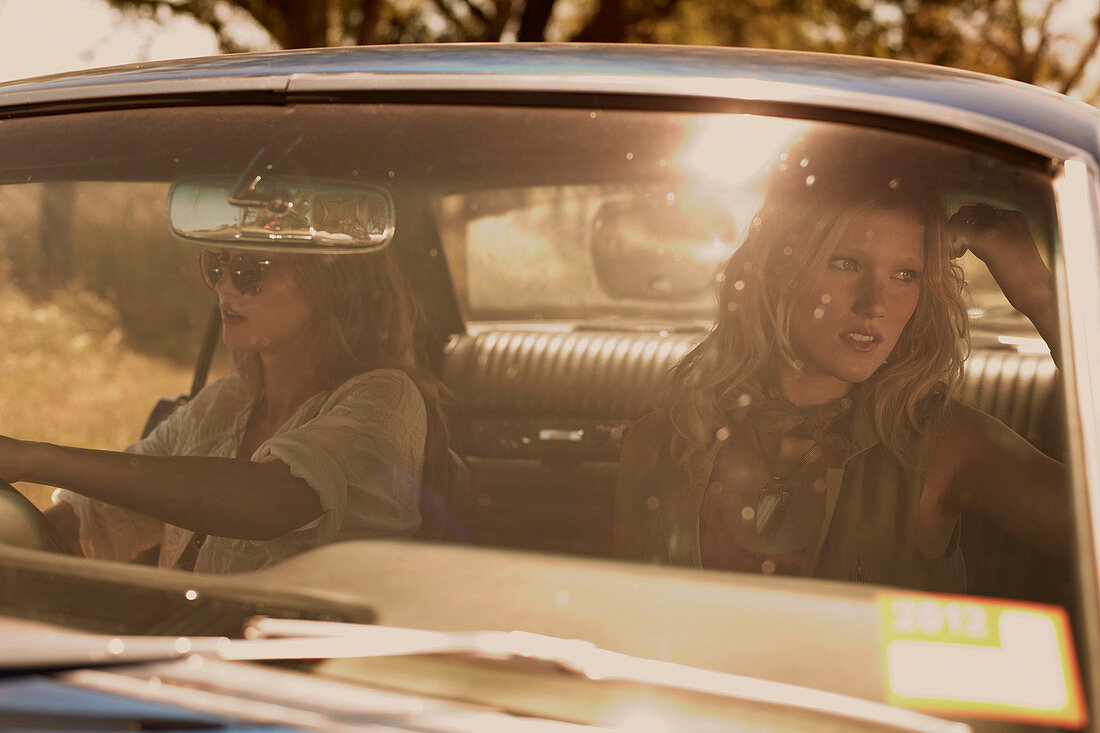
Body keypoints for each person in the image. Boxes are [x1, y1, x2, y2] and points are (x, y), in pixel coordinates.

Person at [613, 132, 1068, 592]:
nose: (875, 303)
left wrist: (1037, 293)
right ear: (779, 270)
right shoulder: (666, 438)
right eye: (846, 264)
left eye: (904, 275)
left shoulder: (943, 446)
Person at [0, 246, 451, 573]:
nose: (222, 285)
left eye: (248, 270)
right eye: (217, 264)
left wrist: (33, 459)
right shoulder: (226, 401)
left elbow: (273, 502)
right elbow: (94, 519)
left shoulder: (386, 398)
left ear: (334, 284)